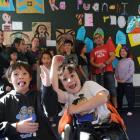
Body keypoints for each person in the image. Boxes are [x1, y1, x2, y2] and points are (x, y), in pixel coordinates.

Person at [48, 55, 111, 139]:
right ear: (62, 85)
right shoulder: (68, 96)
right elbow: (55, 89)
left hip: (104, 127)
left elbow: (103, 98)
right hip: (83, 131)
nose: (70, 80)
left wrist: (77, 108)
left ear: (78, 75)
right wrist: (54, 64)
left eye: (72, 75)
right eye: (65, 79)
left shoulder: (89, 84)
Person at [0, 61, 59, 140]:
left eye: (24, 73)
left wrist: (47, 87)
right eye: (16, 74)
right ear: (10, 79)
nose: (21, 76)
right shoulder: (4, 101)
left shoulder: (39, 95)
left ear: (30, 78)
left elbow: (51, 111)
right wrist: (15, 127)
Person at [90, 27, 117, 108]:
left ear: (103, 38)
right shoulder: (93, 51)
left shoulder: (108, 46)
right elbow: (91, 61)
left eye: (99, 37)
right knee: (103, 92)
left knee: (112, 90)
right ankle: (107, 108)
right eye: (96, 38)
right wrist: (97, 65)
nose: (98, 39)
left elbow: (113, 56)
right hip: (98, 73)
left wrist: (105, 63)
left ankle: (116, 108)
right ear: (94, 40)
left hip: (108, 71)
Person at [115, 46, 135, 116]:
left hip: (128, 83)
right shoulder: (119, 62)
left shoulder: (130, 61)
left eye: (124, 51)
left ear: (127, 52)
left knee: (129, 97)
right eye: (121, 51)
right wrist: (117, 78)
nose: (122, 53)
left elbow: (131, 72)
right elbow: (116, 71)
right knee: (119, 97)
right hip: (120, 83)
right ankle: (119, 110)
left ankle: (130, 110)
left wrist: (124, 80)